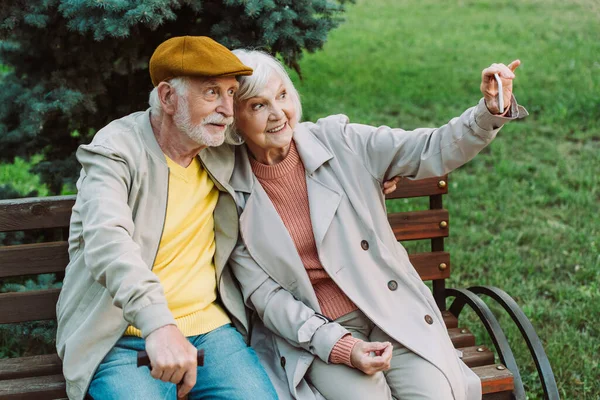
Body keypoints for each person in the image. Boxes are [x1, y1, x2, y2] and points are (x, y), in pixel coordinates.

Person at [225, 49, 528, 400]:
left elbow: (429, 148)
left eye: (281, 96)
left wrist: (487, 111)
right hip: (318, 331)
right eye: (258, 106)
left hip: (389, 310)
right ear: (235, 118)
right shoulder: (232, 193)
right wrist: (339, 345)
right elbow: (268, 297)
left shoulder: (342, 143)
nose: (278, 114)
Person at [55, 37, 278, 400]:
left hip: (210, 330)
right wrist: (158, 324)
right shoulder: (115, 151)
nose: (227, 109)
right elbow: (107, 241)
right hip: (120, 336)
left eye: (231, 93)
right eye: (211, 92)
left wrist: (367, 175)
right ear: (167, 98)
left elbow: (289, 141)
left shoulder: (219, 145)